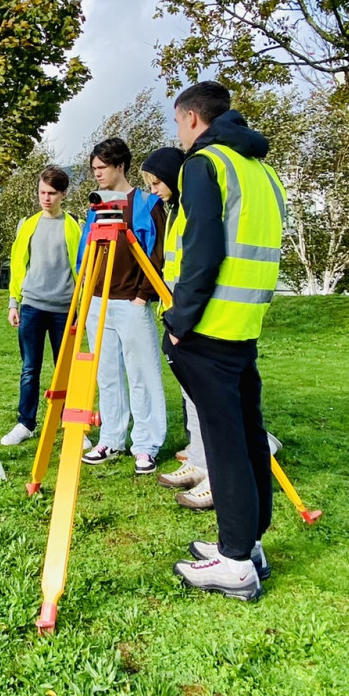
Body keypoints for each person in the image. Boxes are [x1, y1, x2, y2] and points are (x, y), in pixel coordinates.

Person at [162, 81, 285, 602]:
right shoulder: (261, 170)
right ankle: (248, 542)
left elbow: (204, 250)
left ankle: (235, 562)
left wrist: (178, 319)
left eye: (177, 124)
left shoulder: (204, 164)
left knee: (225, 443)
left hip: (208, 325)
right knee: (247, 435)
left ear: (191, 119)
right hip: (244, 324)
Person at [79, 136, 167, 475]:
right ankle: (111, 438)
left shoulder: (146, 203)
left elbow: (157, 251)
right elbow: (87, 248)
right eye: (94, 169)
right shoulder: (96, 205)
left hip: (132, 301)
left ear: (120, 166)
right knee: (107, 375)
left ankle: (146, 444)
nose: (97, 174)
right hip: (98, 300)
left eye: (102, 168)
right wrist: (86, 288)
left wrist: (143, 294)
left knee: (142, 373)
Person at [139, 147, 215, 509]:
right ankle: (198, 461)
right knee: (191, 398)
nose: (154, 190)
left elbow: (196, 268)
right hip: (176, 314)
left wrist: (182, 320)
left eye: (156, 182)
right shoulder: (172, 211)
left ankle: (218, 470)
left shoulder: (190, 209)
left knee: (208, 400)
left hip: (193, 318)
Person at [1, 166, 81, 447]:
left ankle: (69, 424)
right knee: (29, 369)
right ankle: (25, 423)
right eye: (42, 192)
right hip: (32, 307)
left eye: (51, 193)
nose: (45, 198)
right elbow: (17, 265)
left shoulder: (74, 226)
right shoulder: (28, 225)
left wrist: (80, 308)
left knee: (66, 370)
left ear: (63, 194)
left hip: (64, 310)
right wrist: (14, 303)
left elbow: (80, 269)